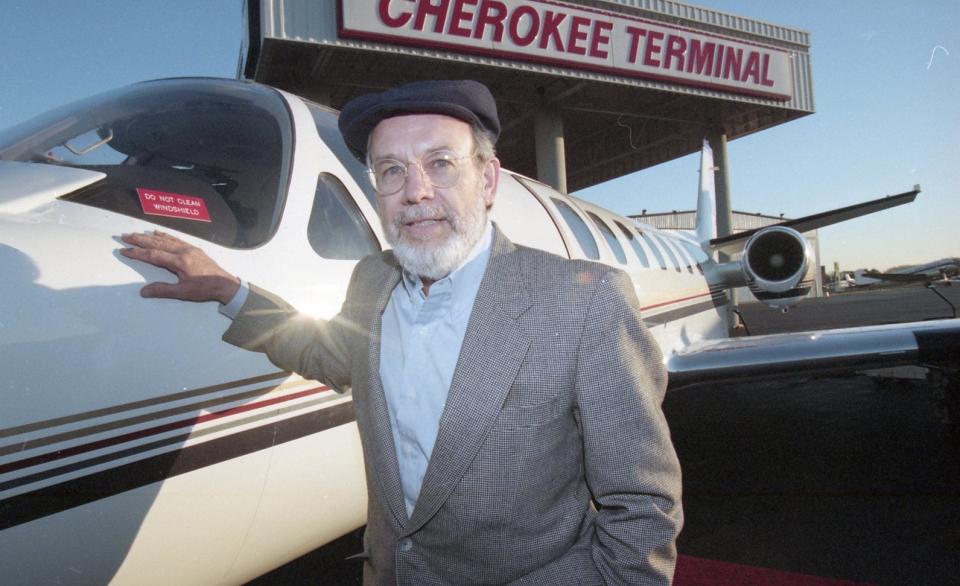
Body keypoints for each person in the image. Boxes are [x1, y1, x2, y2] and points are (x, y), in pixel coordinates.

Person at [120, 79, 682, 585]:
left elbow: (642, 513)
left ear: (487, 179)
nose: (415, 192)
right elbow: (330, 354)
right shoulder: (372, 281)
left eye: (440, 163)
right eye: (391, 170)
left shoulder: (585, 300)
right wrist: (229, 290)